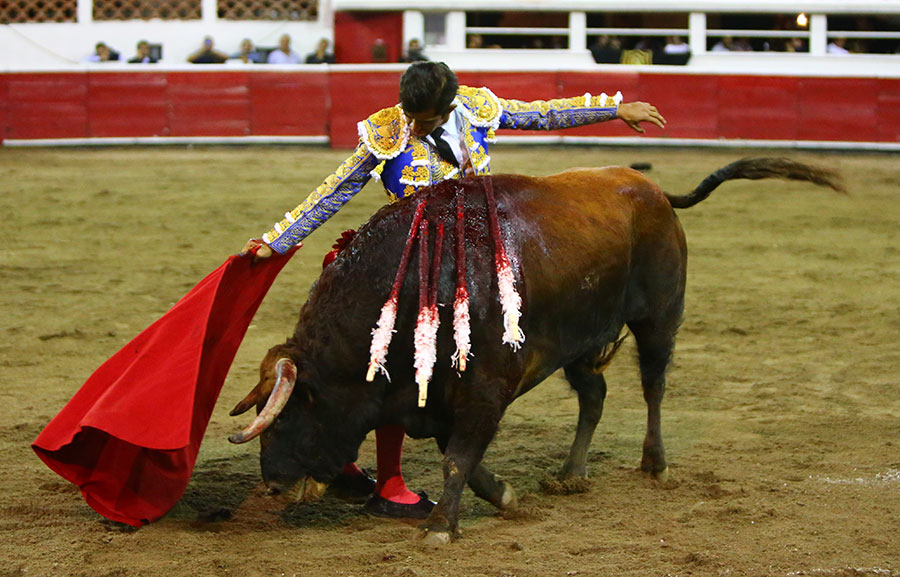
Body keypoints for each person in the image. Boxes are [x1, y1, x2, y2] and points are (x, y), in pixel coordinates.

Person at [242, 61, 666, 519]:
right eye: (413, 115)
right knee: (369, 362)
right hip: (406, 264)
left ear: (449, 106)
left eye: (427, 119)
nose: (417, 126)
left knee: (436, 367)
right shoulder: (387, 130)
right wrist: (276, 239)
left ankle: (388, 477)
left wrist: (616, 109)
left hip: (475, 258)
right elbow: (334, 190)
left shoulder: (477, 109)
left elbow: (542, 113)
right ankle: (365, 469)